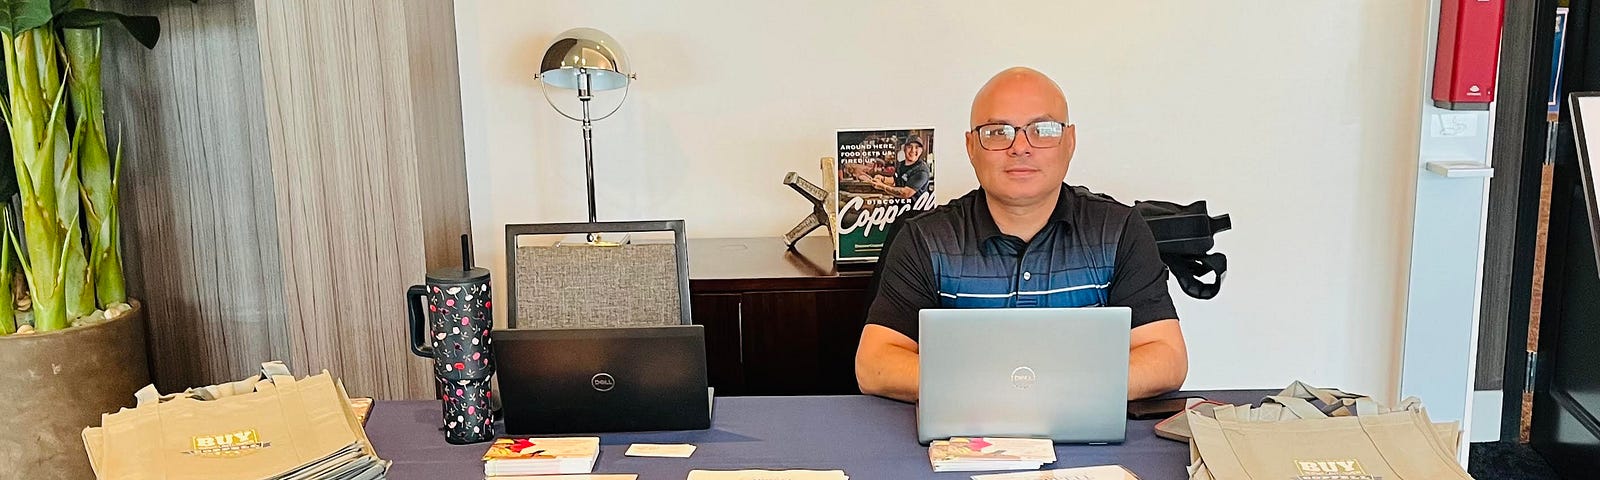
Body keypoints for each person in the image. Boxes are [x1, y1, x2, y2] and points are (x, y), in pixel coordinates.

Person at [854, 67, 1188, 403]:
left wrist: (1047, 390)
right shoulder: (926, 238)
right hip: (965, 439)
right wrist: (1005, 389)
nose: (1020, 147)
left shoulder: (1118, 231)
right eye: (998, 132)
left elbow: (1166, 357)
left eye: (1042, 130)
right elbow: (875, 364)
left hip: (1086, 436)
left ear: (1069, 141)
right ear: (971, 146)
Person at [866, 135, 932, 200]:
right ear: (904, 149)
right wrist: (883, 179)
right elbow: (896, 180)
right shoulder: (901, 164)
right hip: (899, 207)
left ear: (921, 151)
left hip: (915, 210)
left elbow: (906, 193)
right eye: (909, 147)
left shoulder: (921, 171)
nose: (913, 150)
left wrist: (882, 186)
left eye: (917, 147)